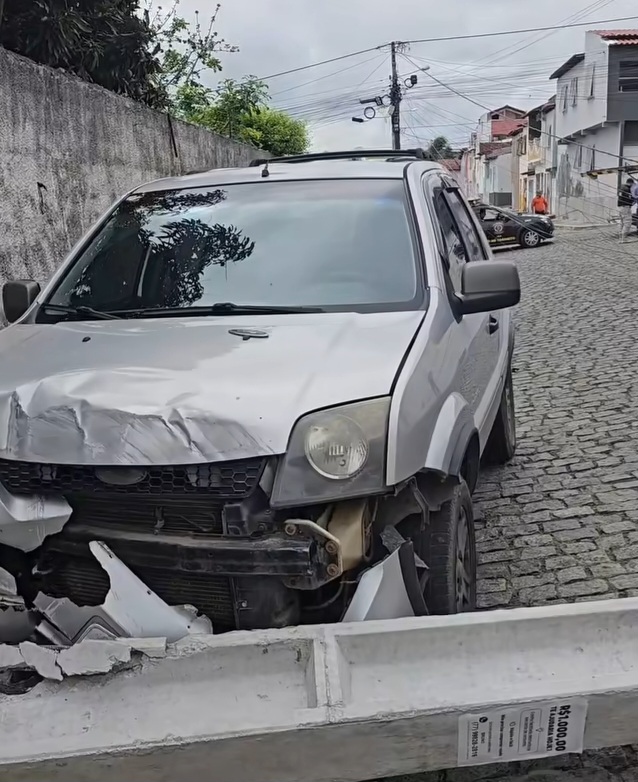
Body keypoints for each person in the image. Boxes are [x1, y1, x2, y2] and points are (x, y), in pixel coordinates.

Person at [618, 177, 634, 242]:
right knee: (628, 222)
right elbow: (629, 198)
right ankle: (624, 239)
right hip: (626, 207)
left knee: (621, 223)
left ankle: (620, 238)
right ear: (630, 183)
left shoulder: (621, 187)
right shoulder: (627, 189)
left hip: (620, 207)